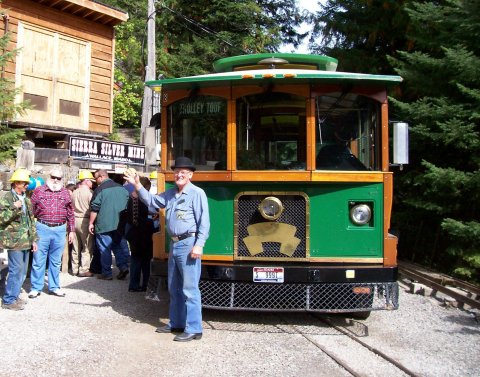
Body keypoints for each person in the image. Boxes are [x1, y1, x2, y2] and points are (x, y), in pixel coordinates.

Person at [124, 157, 210, 342]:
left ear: (190, 175)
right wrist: (137, 185)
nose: (179, 174)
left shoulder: (197, 193)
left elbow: (204, 222)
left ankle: (194, 328)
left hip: (189, 243)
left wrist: (199, 244)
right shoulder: (170, 194)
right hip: (175, 244)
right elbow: (152, 202)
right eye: (177, 171)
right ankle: (177, 323)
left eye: (184, 172)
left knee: (190, 288)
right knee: (174, 286)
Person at [29, 167, 75, 298]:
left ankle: (54, 287)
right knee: (38, 259)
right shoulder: (38, 191)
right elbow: (31, 212)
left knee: (56, 261)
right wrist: (32, 232)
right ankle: (36, 288)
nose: (55, 180)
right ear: (49, 177)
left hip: (60, 229)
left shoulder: (66, 193)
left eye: (58, 178)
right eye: (53, 177)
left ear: (62, 179)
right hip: (42, 227)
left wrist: (71, 230)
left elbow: (70, 213)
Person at [0, 169, 38, 310]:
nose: (27, 186)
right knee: (16, 270)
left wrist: (34, 239)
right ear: (16, 183)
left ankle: (14, 296)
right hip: (14, 241)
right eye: (25, 183)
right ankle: (9, 300)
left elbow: (31, 221)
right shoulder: (7, 198)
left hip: (26, 241)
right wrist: (14, 208)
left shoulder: (26, 199)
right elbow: (1, 219)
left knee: (22, 271)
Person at [89, 169, 130, 280]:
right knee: (116, 246)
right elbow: (128, 204)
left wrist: (91, 223)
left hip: (104, 224)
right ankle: (123, 267)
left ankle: (106, 273)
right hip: (119, 224)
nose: (96, 181)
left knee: (105, 248)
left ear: (102, 177)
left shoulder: (99, 189)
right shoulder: (122, 188)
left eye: (96, 178)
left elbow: (94, 208)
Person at [125, 177, 154, 292]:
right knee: (146, 261)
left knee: (136, 259)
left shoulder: (132, 196)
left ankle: (134, 284)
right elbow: (141, 217)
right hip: (143, 233)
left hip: (133, 232)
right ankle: (146, 284)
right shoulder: (142, 198)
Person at [71, 170, 95, 277]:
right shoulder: (90, 193)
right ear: (86, 181)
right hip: (85, 220)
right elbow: (93, 208)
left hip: (74, 219)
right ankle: (84, 269)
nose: (92, 183)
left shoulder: (74, 192)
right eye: (91, 181)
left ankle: (74, 268)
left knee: (75, 246)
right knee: (87, 246)